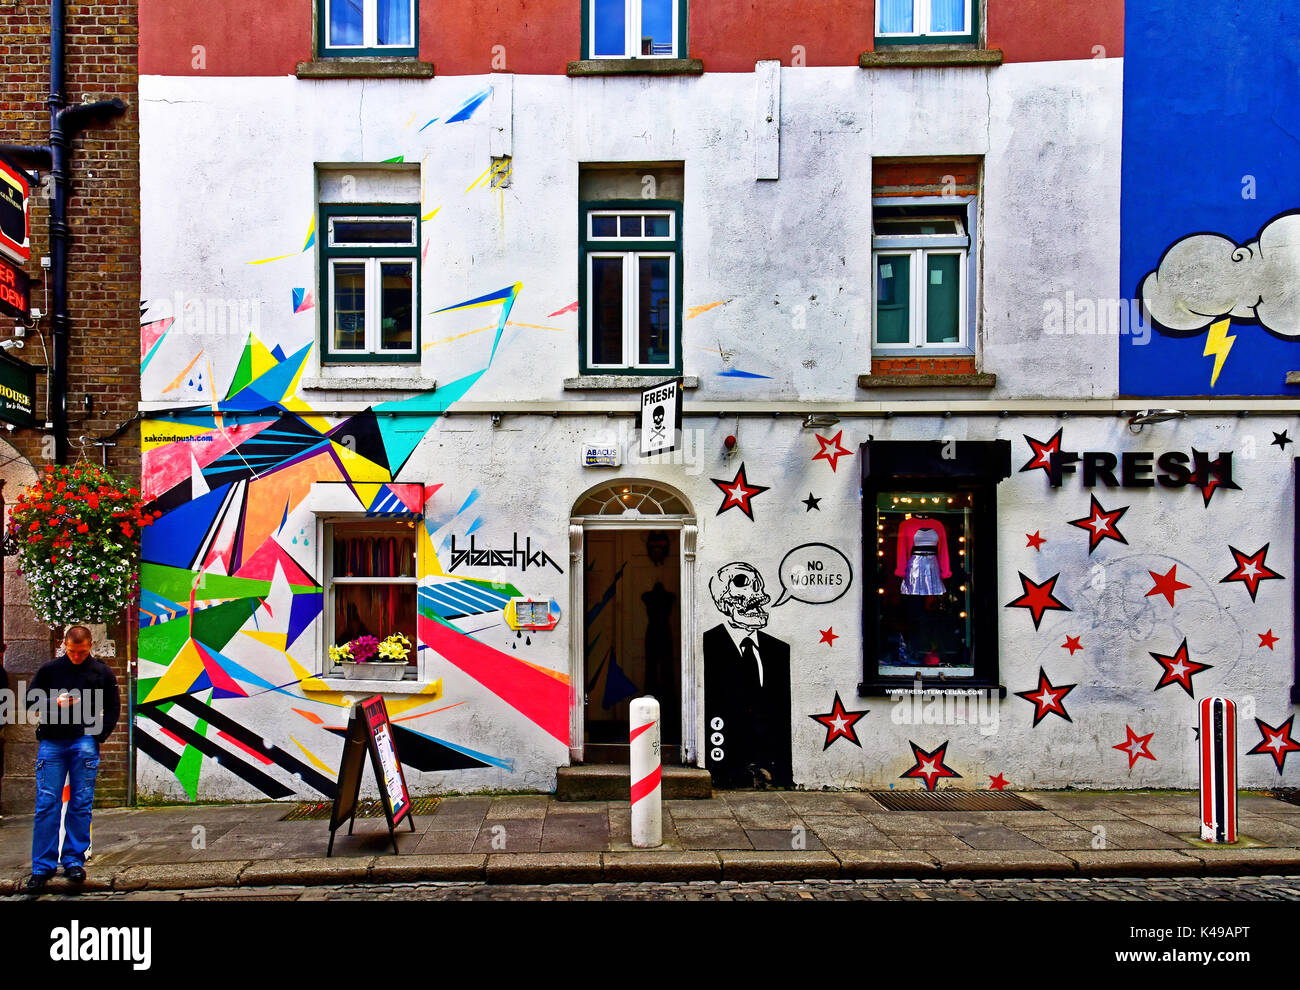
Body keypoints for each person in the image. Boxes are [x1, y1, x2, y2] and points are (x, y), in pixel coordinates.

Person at [25, 625, 120, 892]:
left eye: (80, 651)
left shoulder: (101, 672)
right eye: (71, 651)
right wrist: (55, 701)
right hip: (52, 741)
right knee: (47, 803)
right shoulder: (50, 670)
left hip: (84, 741)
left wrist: (97, 736)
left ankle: (73, 860)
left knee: (80, 802)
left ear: (90, 645)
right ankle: (42, 866)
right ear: (64, 646)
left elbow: (113, 707)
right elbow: (30, 702)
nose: (76, 656)